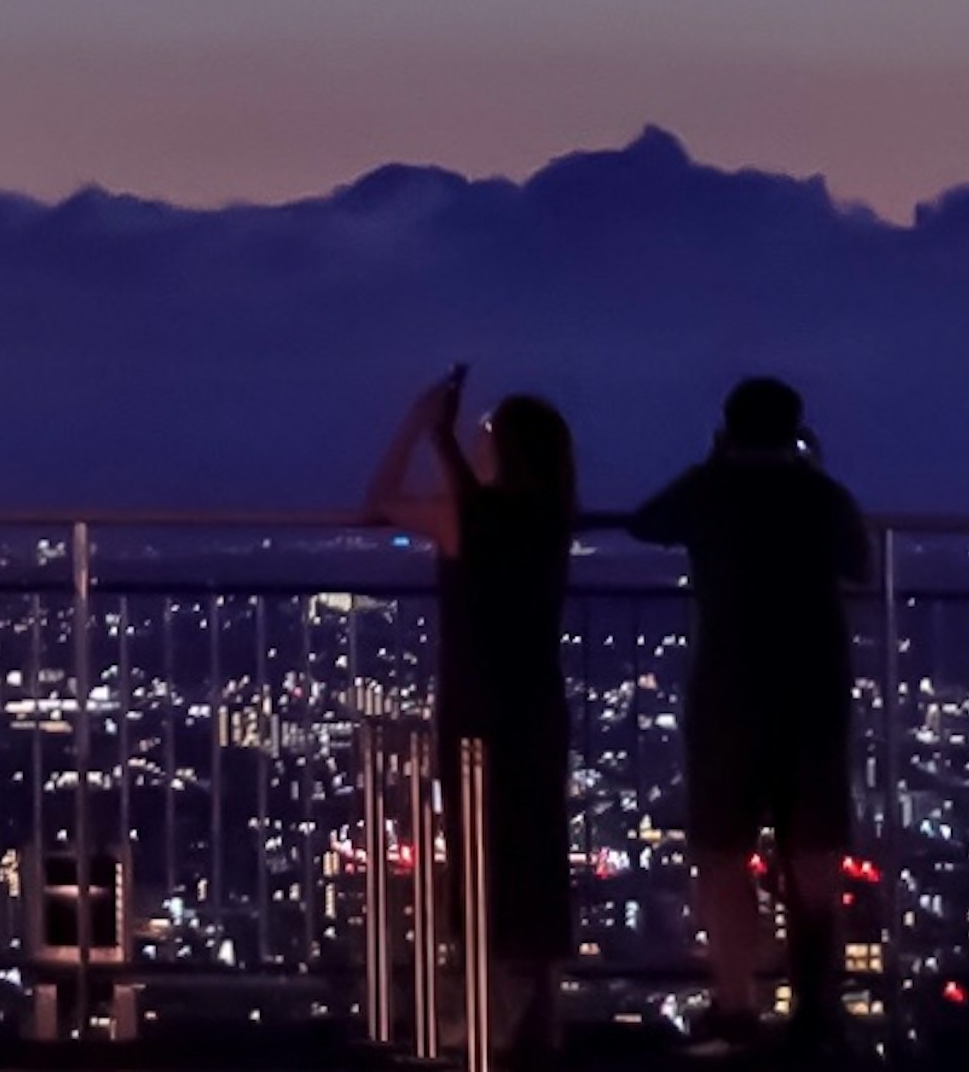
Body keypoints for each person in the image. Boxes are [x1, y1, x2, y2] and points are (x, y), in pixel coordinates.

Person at [630, 378, 873, 1056]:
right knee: (815, 854)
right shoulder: (822, 496)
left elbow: (646, 521)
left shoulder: (710, 492)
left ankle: (736, 1006)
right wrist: (811, 470)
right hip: (815, 689)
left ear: (727, 430)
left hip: (729, 693)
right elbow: (860, 567)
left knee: (723, 852)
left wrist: (713, 466)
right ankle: (817, 1012)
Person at [367, 364, 579, 1059]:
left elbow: (383, 499)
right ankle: (532, 1008)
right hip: (538, 707)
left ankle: (488, 1013)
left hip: (478, 709)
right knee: (533, 856)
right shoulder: (550, 517)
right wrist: (447, 437)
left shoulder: (469, 517)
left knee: (479, 860)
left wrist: (420, 423)